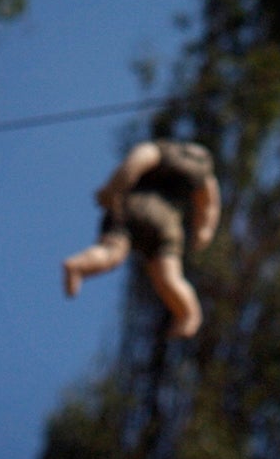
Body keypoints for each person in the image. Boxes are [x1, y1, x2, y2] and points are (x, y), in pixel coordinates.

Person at [62, 139, 220, 339]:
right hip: (167, 226)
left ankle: (79, 266)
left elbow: (132, 165)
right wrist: (203, 233)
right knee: (169, 277)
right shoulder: (204, 175)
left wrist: (112, 190)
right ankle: (189, 315)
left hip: (131, 209)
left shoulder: (160, 150)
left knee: (112, 252)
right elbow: (209, 208)